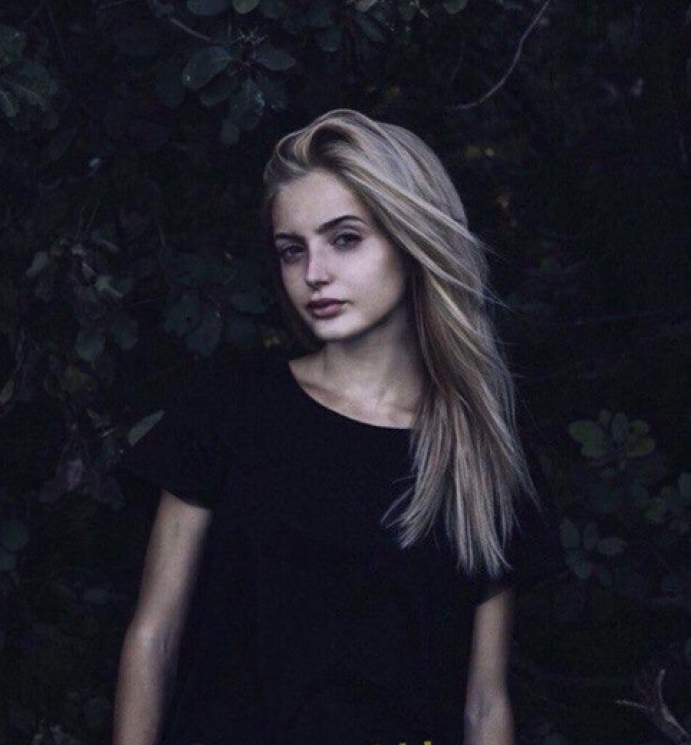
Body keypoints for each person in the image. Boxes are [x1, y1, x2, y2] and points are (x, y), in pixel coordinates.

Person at [112, 108, 562, 745]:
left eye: (345, 239)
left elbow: (484, 705)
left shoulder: (480, 451)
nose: (314, 274)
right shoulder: (230, 406)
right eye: (292, 250)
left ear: (412, 241)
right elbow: (153, 637)